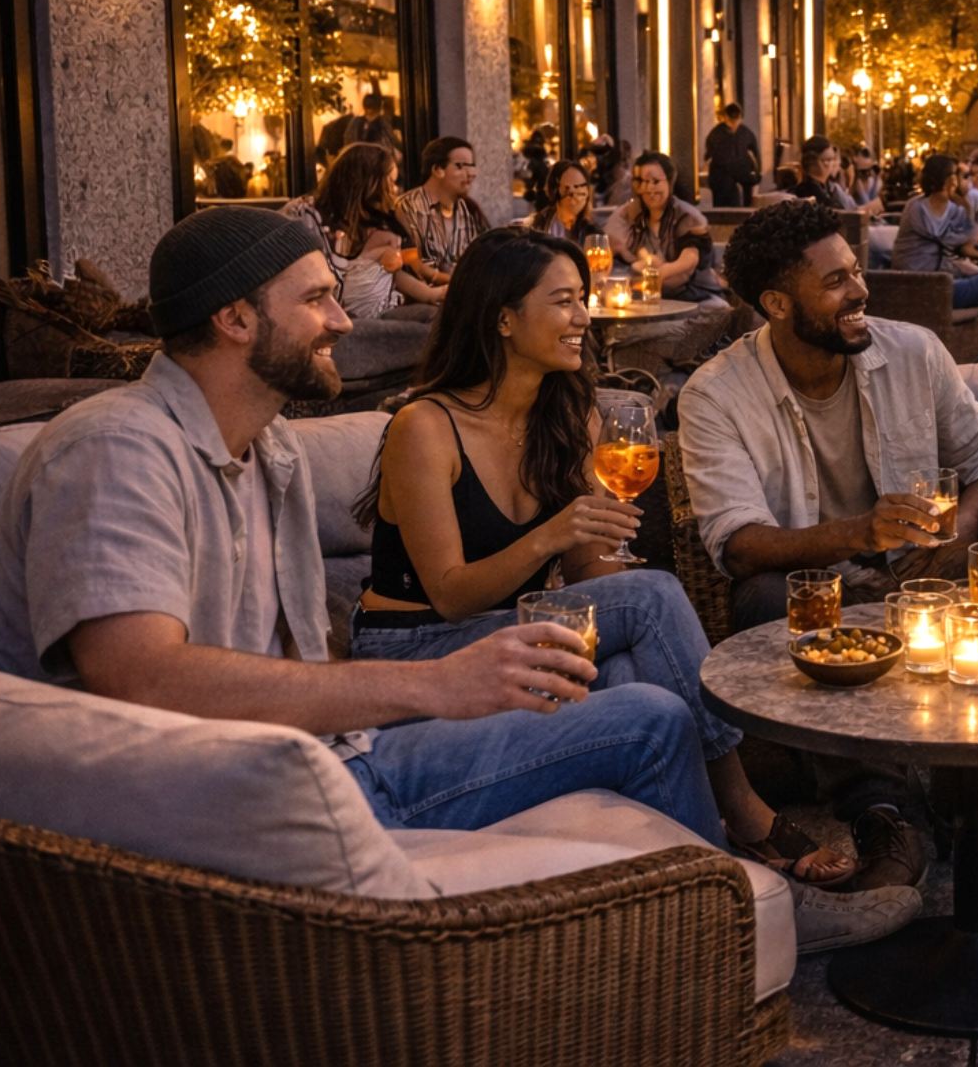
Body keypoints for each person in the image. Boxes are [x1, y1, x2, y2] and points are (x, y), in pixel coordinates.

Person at [0, 209, 912, 952]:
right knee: (646, 672)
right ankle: (747, 915)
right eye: (316, 299)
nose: (347, 320)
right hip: (242, 805)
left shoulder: (263, 451)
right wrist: (431, 684)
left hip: (330, 757)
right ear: (234, 318)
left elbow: (305, 651)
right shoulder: (115, 447)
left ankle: (726, 918)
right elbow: (136, 678)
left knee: (652, 706)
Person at [348, 226, 861, 889]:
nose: (582, 317)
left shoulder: (567, 415)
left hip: (516, 632)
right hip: (418, 650)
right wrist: (554, 535)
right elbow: (449, 594)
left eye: (581, 299)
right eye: (562, 301)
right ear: (503, 317)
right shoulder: (424, 427)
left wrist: (602, 551)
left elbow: (596, 576)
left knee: (637, 673)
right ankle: (745, 818)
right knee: (649, 599)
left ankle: (689, 888)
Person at [679, 198, 978, 891]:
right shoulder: (717, 394)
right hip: (814, 589)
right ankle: (889, 812)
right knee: (771, 599)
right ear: (776, 302)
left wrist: (967, 531)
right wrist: (857, 534)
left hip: (919, 575)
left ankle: (863, 768)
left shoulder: (913, 351)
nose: (860, 289)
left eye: (856, 271)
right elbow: (737, 547)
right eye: (835, 282)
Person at [599, 152, 734, 373]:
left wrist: (653, 274)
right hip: (651, 302)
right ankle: (675, 363)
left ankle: (673, 355)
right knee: (620, 327)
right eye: (642, 181)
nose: (649, 188)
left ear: (669, 181)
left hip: (696, 300)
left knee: (720, 311)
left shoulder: (687, 215)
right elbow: (609, 244)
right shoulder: (630, 214)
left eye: (655, 181)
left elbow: (689, 260)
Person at [283, 142, 444, 320]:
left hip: (380, 312)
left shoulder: (381, 222)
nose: (395, 190)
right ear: (368, 183)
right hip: (323, 316)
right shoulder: (304, 216)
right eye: (390, 182)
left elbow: (404, 269)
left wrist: (434, 289)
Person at [892, 153, 978, 347]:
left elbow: (961, 247)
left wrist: (964, 208)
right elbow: (943, 236)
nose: (958, 180)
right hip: (919, 286)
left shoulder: (955, 210)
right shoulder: (916, 207)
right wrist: (967, 216)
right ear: (944, 179)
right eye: (954, 175)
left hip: (944, 280)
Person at [396, 136, 490, 287]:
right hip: (424, 299)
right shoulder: (407, 207)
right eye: (460, 166)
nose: (471, 173)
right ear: (437, 170)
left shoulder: (467, 210)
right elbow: (410, 265)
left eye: (472, 166)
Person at [525, 160, 599, 244]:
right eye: (567, 188)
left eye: (579, 188)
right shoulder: (541, 225)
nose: (575, 196)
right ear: (555, 190)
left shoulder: (593, 231)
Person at [703, 103, 761, 209]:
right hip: (723, 173)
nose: (734, 124)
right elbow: (709, 155)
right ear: (725, 118)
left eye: (736, 120)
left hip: (741, 171)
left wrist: (757, 173)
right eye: (731, 121)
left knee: (745, 198)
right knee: (723, 199)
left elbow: (755, 153)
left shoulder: (745, 133)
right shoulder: (717, 134)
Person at [793, 138, 856, 210]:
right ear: (814, 161)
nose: (833, 163)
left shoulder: (826, 187)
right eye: (828, 159)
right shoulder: (808, 190)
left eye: (833, 159)